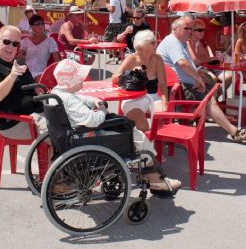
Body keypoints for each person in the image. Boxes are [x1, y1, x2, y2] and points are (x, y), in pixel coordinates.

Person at [51, 59, 181, 194]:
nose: (83, 80)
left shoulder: (57, 93)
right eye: (79, 78)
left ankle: (153, 176)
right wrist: (102, 110)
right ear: (71, 82)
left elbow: (80, 99)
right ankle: (156, 180)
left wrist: (94, 100)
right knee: (135, 134)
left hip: (73, 136)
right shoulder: (70, 99)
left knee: (126, 127)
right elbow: (92, 120)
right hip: (88, 136)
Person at [157, 15, 246, 142]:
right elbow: (183, 63)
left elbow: (189, 64)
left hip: (183, 83)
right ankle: (234, 131)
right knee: (209, 99)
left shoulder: (181, 42)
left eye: (191, 29)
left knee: (213, 88)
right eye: (187, 28)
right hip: (177, 87)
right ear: (175, 29)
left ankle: (206, 117)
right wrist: (198, 79)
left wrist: (199, 74)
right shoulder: (173, 42)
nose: (190, 31)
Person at [0, 25, 47, 139]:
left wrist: (43, 95)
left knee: (70, 120)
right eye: (6, 42)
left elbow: (33, 87)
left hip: (36, 113)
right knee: (60, 134)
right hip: (15, 122)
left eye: (15, 44)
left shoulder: (18, 63)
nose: (10, 47)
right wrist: (12, 75)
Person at [112, 30, 168, 132]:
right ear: (143, 45)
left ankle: (153, 141)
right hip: (132, 100)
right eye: (153, 43)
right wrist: (130, 74)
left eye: (155, 42)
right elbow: (114, 78)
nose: (156, 45)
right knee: (142, 126)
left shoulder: (157, 59)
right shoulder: (131, 59)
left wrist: (165, 103)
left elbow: (163, 83)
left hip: (153, 97)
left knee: (163, 124)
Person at [188, 18, 233, 95]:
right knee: (213, 78)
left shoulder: (200, 42)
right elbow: (196, 61)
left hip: (207, 67)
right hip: (196, 69)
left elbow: (208, 57)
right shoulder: (189, 42)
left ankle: (215, 95)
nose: (203, 32)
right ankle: (212, 97)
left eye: (203, 30)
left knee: (228, 77)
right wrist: (213, 58)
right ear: (191, 31)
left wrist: (213, 59)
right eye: (200, 30)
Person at [17, 14, 60, 81]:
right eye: (37, 24)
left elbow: (56, 60)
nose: (40, 26)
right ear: (31, 26)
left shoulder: (50, 41)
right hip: (26, 72)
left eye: (42, 23)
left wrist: (50, 73)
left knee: (38, 80)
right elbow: (19, 59)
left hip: (41, 73)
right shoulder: (25, 41)